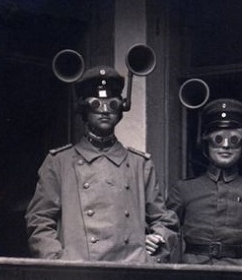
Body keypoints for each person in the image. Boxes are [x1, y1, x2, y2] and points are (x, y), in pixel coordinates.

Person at [25, 65, 179, 263]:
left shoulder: (140, 164)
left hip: (130, 269)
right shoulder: (59, 162)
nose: (105, 111)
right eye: (96, 104)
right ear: (84, 109)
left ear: (120, 109)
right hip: (79, 271)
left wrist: (157, 244)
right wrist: (58, 260)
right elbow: (39, 220)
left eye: (112, 104)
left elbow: (164, 220)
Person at [167, 98, 242, 266]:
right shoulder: (184, 190)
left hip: (239, 278)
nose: (225, 146)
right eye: (218, 139)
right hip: (193, 277)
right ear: (205, 143)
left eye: (234, 140)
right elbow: (164, 233)